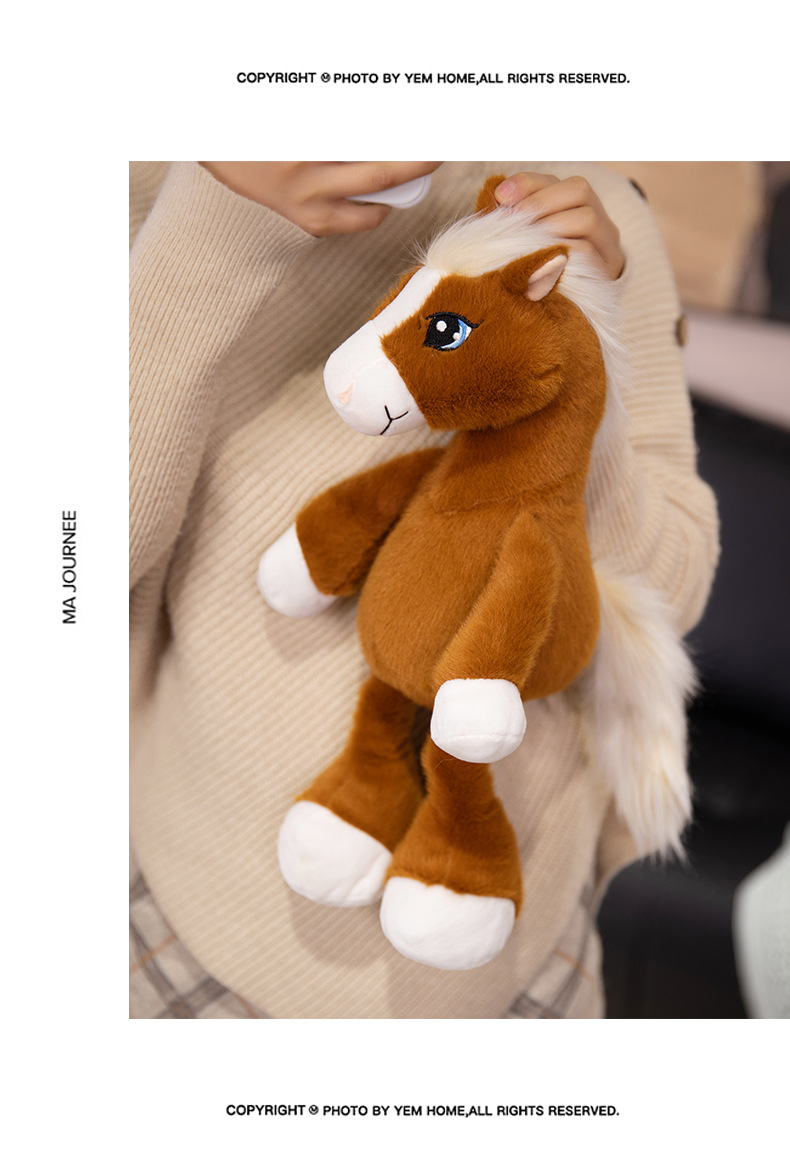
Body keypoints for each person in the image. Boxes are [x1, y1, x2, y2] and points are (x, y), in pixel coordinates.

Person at [130, 161, 719, 1018]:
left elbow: (674, 592)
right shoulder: (152, 169)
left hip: (512, 976)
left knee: (459, 750)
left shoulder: (590, 217)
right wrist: (219, 214)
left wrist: (577, 373)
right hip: (181, 930)